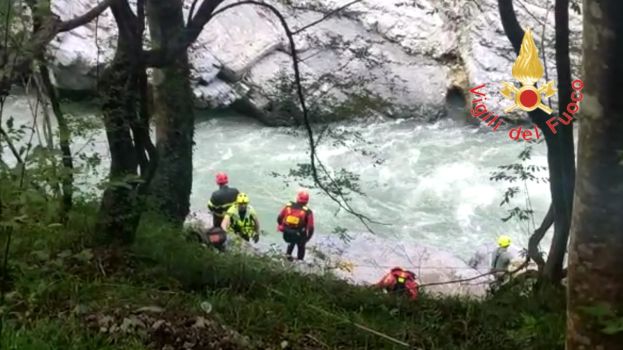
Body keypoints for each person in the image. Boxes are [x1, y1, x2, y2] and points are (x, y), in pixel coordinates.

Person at [277, 190, 314, 261]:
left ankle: (287, 257)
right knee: (301, 246)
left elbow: (279, 218)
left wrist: (282, 226)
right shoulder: (308, 211)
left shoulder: (288, 206)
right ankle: (300, 261)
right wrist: (308, 238)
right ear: (307, 201)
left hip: (287, 233)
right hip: (299, 234)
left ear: (297, 198)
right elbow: (310, 227)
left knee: (291, 242)